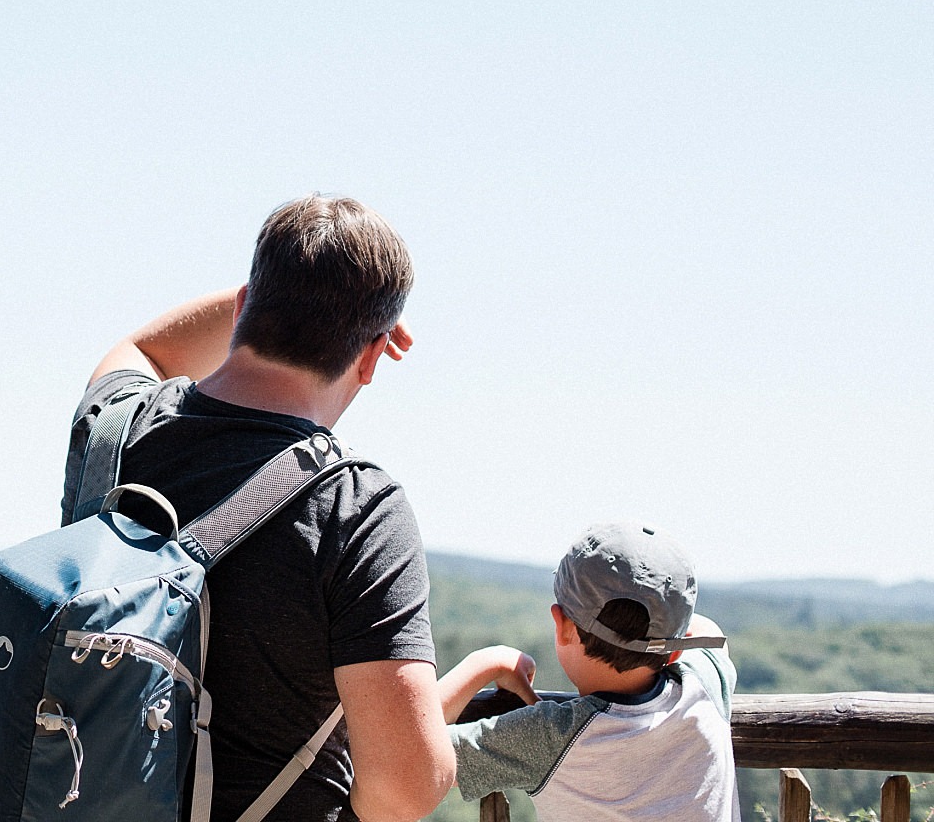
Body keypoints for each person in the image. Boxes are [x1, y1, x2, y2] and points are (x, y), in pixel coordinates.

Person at [66, 194, 454, 822]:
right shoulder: (357, 508)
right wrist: (349, 307)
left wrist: (290, 285)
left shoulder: (115, 428)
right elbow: (403, 791)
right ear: (373, 355)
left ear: (245, 305)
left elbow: (143, 350)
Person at [438, 523, 738, 822]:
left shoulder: (549, 735)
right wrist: (662, 626)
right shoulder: (705, 686)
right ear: (676, 652)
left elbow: (409, 748)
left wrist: (486, 662)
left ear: (562, 625)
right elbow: (706, 630)